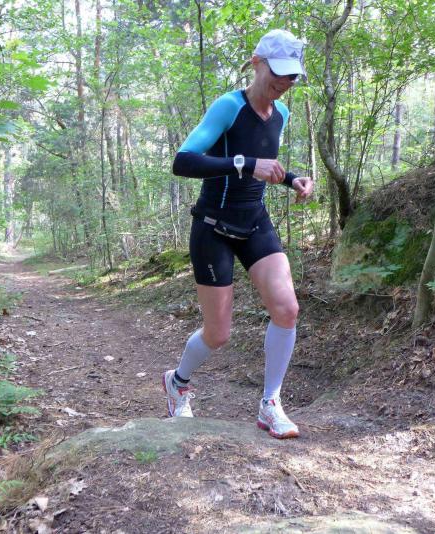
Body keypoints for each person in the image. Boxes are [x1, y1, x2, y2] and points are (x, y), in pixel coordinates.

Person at [162, 29, 314, 439]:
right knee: (218, 334)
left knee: (287, 309)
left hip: (255, 222)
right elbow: (183, 162)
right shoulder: (229, 106)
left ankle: (270, 404)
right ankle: (177, 383)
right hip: (213, 227)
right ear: (256, 63)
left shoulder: (281, 115)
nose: (285, 82)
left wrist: (293, 179)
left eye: (292, 75)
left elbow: (263, 166)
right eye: (278, 73)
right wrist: (244, 163)